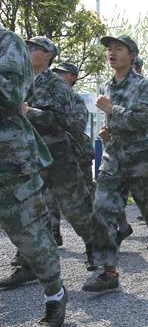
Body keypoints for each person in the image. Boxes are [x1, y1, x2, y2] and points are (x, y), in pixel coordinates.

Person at [82, 35, 148, 293]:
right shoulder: (107, 86)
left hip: (140, 159)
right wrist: (107, 130)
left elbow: (147, 120)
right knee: (101, 208)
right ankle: (108, 272)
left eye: (118, 48)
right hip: (113, 158)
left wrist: (113, 110)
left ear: (132, 55)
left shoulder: (143, 85)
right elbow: (114, 119)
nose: (112, 53)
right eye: (109, 49)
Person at [0, 24, 68, 326]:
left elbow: (12, 94)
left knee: (29, 235)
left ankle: (55, 293)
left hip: (9, 159)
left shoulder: (9, 43)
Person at [23, 36, 95, 271]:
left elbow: (62, 121)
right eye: (27, 46)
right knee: (31, 209)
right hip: (29, 156)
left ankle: (96, 249)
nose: (28, 50)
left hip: (57, 156)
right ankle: (28, 263)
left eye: (34, 47)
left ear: (48, 55)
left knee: (75, 207)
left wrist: (30, 112)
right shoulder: (20, 81)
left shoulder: (56, 85)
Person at [51, 62, 96, 201]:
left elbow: (76, 126)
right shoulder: (51, 97)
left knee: (84, 194)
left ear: (73, 77)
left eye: (61, 73)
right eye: (55, 72)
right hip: (57, 153)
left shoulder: (75, 99)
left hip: (77, 152)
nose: (56, 75)